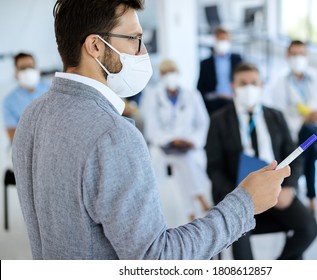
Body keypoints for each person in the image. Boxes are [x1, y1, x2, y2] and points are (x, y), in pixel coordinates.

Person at [12, 0, 290, 260]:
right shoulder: (112, 135)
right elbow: (157, 259)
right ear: (95, 46)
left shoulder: (33, 115)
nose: (143, 52)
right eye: (134, 39)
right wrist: (245, 203)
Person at [206, 62, 317, 260]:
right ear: (233, 86)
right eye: (243, 83)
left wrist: (290, 188)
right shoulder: (218, 120)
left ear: (261, 86)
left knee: (309, 228)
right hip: (239, 193)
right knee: (240, 241)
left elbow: (294, 158)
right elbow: (214, 167)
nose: (249, 88)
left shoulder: (276, 116)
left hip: (277, 191)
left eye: (253, 83)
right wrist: (235, 197)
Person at [265, 40, 317, 213]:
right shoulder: (279, 85)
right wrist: (302, 120)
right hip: (296, 134)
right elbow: (279, 118)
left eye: (301, 54)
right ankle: (311, 196)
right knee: (308, 140)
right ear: (287, 56)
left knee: (310, 135)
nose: (297, 58)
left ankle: (294, 188)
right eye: (294, 54)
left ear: (307, 56)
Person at [140, 59, 211, 222]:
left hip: (187, 146)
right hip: (163, 147)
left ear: (178, 73)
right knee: (184, 161)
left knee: (183, 164)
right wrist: (171, 140)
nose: (169, 76)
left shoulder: (192, 95)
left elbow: (203, 122)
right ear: (161, 76)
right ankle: (199, 197)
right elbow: (152, 128)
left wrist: (192, 141)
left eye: (172, 72)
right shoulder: (153, 97)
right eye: (165, 73)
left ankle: (191, 212)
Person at [3, 52, 49, 143]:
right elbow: (12, 136)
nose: (28, 71)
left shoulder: (52, 90)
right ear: (16, 73)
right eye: (23, 68)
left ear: (37, 69)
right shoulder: (9, 101)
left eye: (30, 66)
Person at [197, 26, 242, 115]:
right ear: (215, 40)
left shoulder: (237, 60)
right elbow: (200, 87)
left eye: (224, 39)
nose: (222, 42)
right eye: (220, 39)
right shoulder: (205, 63)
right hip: (213, 103)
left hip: (233, 100)